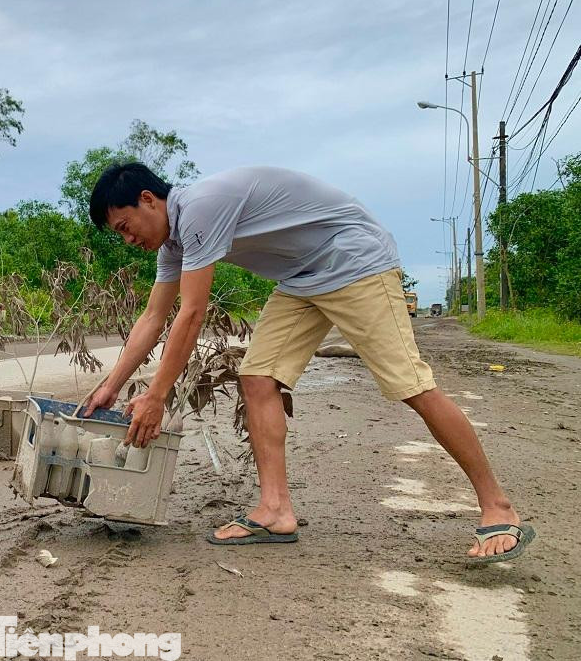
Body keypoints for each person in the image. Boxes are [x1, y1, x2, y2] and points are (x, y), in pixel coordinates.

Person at [84, 162, 534, 564]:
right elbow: (153, 317)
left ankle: (497, 507)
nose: (128, 239)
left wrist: (157, 395)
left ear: (149, 199)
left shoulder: (199, 207)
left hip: (354, 261)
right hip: (302, 278)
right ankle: (275, 510)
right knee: (258, 377)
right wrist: (110, 386)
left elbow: (191, 313)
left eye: (125, 226)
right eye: (119, 234)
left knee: (411, 385)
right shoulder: (174, 245)